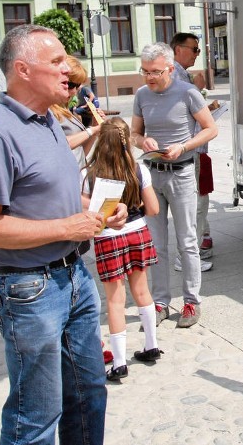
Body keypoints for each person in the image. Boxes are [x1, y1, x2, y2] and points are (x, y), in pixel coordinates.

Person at [0, 24, 127, 445]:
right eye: (55, 61)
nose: (66, 70)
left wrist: (98, 211)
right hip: (28, 288)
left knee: (88, 395)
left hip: (74, 277)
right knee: (36, 413)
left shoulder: (49, 121)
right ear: (23, 70)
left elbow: (51, 194)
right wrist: (67, 227)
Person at [131, 42, 218, 328]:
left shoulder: (187, 92)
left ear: (169, 69)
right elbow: (134, 133)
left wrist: (184, 146)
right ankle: (160, 302)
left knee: (187, 241)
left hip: (181, 172)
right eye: (144, 71)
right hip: (152, 174)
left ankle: (191, 302)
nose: (149, 77)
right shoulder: (142, 94)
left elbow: (211, 129)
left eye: (154, 71)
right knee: (156, 244)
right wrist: (144, 142)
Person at [82, 117, 162, 381]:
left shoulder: (88, 174)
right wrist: (136, 198)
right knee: (142, 291)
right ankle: (151, 345)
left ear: (100, 141)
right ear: (127, 140)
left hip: (108, 237)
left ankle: (119, 362)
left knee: (115, 300)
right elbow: (153, 209)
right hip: (138, 231)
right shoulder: (138, 169)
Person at [170, 32, 213, 261]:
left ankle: (194, 249)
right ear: (178, 49)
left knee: (196, 200)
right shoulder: (176, 75)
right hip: (188, 149)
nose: (198, 53)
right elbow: (182, 111)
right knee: (193, 203)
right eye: (194, 49)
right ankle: (189, 256)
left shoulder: (181, 74)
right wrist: (196, 90)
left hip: (191, 148)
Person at [52, 55, 101, 169]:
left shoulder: (65, 109)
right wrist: (91, 131)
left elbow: (82, 152)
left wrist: (95, 127)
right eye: (70, 84)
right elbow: (60, 145)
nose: (74, 91)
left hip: (78, 175)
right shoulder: (48, 111)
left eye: (77, 86)